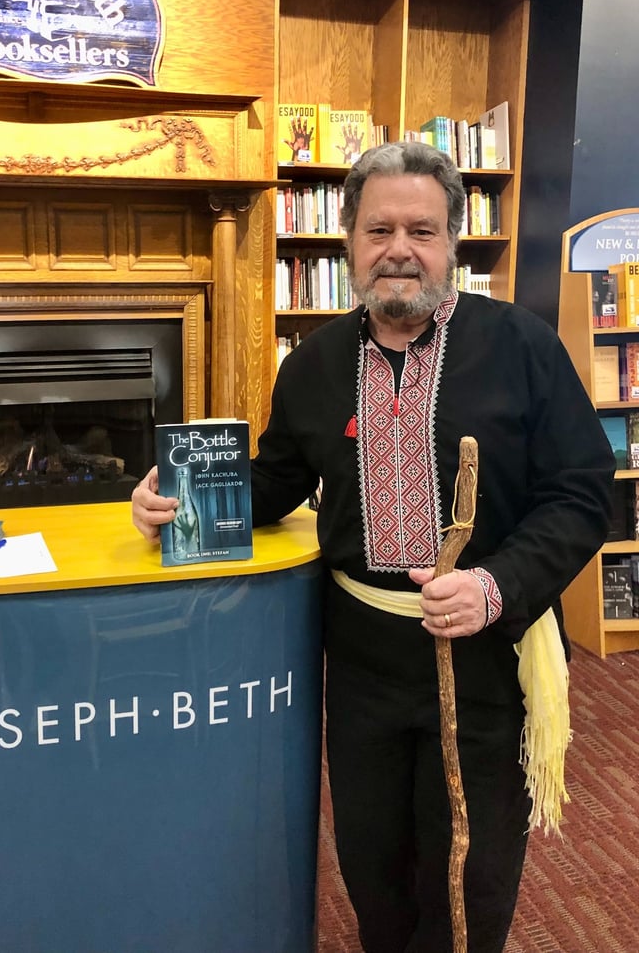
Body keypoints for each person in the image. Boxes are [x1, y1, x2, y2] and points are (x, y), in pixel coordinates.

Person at [131, 140, 615, 953]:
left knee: (470, 872)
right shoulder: (314, 365)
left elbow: (580, 489)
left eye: (421, 230)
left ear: (453, 241)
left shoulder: (524, 348)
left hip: (485, 655)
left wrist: (495, 585)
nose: (399, 249)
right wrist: (175, 501)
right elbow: (274, 479)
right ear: (348, 239)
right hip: (359, 665)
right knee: (371, 864)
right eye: (379, 228)